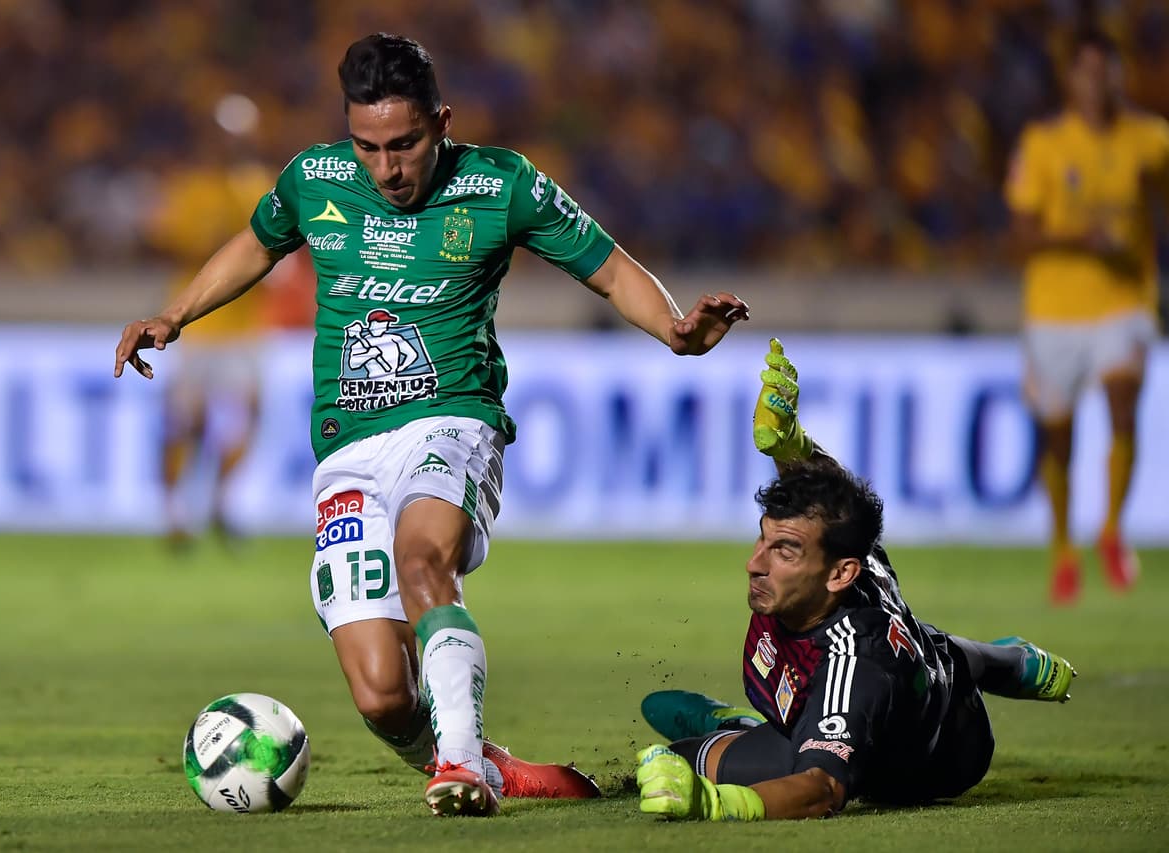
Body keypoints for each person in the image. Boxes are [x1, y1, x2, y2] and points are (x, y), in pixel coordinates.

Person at [114, 33, 748, 817]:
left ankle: (461, 766)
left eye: (405, 144)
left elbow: (610, 267)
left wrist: (677, 330)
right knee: (382, 694)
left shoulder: (500, 185)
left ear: (441, 122)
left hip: (453, 420)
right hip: (348, 450)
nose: (386, 167)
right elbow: (256, 243)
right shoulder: (313, 180)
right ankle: (485, 758)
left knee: (423, 561)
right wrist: (174, 314)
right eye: (369, 146)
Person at [633, 339, 1075, 822]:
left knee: (683, 759)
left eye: (784, 551)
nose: (755, 563)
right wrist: (791, 446)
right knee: (943, 654)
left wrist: (714, 803)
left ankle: (734, 727)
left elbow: (821, 789)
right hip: (927, 669)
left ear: (841, 574)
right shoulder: (851, 556)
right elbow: (836, 503)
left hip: (930, 758)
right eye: (763, 540)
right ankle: (1013, 661)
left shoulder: (853, 667)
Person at [1004, 29, 1169, 604]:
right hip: (1054, 311)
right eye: (1087, 72)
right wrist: (1082, 238)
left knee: (1124, 400)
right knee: (1059, 440)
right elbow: (1022, 234)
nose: (1097, 83)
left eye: (1107, 71)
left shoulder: (1151, 140)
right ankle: (1062, 549)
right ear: (1070, 80)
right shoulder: (1044, 144)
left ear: (1119, 77)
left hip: (1123, 301)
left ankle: (1111, 532)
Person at [144, 128, 275, 549]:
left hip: (243, 326)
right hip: (197, 327)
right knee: (185, 423)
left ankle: (220, 501)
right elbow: (159, 241)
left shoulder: (256, 185)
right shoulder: (190, 189)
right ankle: (174, 514)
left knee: (250, 416)